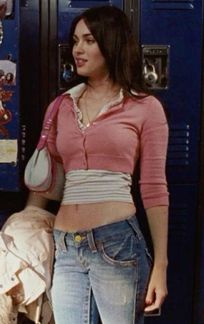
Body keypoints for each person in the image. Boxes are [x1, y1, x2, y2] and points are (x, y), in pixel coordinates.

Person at [26, 5, 169, 324]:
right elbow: (45, 181)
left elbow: (154, 188)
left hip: (116, 244)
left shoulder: (145, 108)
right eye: (76, 40)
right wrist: (26, 226)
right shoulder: (60, 106)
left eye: (89, 40)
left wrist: (161, 265)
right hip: (65, 246)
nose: (78, 49)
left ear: (112, 42)